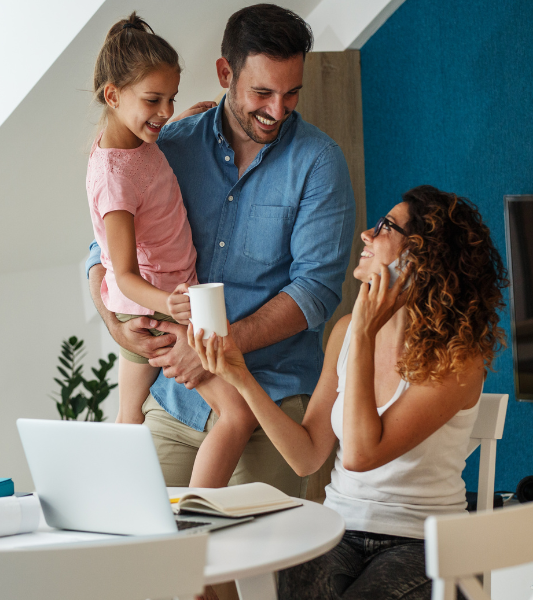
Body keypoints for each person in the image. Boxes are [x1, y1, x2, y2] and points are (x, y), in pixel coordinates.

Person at [86, 3, 355, 496]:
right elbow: (102, 250)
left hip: (269, 396)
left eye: (291, 93)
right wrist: (117, 327)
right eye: (262, 92)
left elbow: (316, 292)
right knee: (134, 526)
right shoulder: (168, 144)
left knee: (240, 541)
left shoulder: (319, 163)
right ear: (225, 73)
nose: (278, 110)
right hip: (176, 398)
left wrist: (216, 348)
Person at [189, 185, 508, 600]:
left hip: (425, 543)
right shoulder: (345, 333)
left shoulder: (456, 359)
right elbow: (307, 457)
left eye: (386, 227)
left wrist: (364, 331)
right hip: (338, 530)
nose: (367, 234)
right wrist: (240, 376)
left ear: (422, 256)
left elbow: (360, 455)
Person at [85, 13, 259, 488]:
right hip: (153, 305)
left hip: (158, 298)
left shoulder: (132, 142)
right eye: (153, 100)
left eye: (171, 99)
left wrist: (174, 123)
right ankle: (196, 516)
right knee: (236, 415)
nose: (164, 110)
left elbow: (143, 167)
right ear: (113, 96)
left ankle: (117, 505)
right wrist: (170, 305)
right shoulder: (114, 181)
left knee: (129, 419)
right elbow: (121, 273)